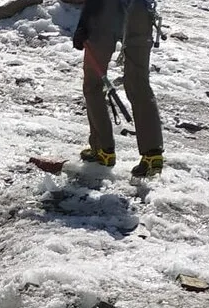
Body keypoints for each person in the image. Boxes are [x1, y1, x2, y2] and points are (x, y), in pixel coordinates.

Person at [73, 0, 164, 177]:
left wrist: (83, 24)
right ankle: (152, 154)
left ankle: (103, 149)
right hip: (140, 9)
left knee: (93, 84)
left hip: (106, 11)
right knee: (139, 82)